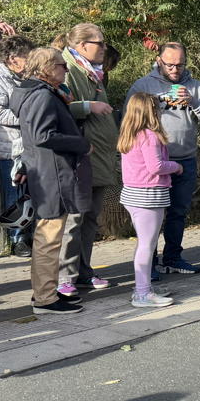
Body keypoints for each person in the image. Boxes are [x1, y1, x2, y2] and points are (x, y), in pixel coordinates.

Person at [126, 42, 200, 275]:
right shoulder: (144, 85)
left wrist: (194, 102)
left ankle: (173, 258)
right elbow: (129, 119)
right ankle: (150, 263)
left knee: (179, 212)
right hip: (153, 164)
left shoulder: (195, 87)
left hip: (184, 159)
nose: (175, 69)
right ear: (159, 61)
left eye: (180, 65)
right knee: (153, 215)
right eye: (170, 65)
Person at [10, 47, 89, 315]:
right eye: (61, 65)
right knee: (49, 237)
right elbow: (44, 135)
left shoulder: (34, 92)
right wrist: (81, 143)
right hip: (51, 175)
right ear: (45, 68)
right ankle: (44, 299)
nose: (65, 70)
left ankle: (46, 291)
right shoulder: (41, 96)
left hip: (47, 171)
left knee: (49, 236)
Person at [58, 22, 119, 298]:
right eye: (100, 43)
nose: (104, 48)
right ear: (83, 46)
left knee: (91, 217)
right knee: (74, 218)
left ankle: (83, 271)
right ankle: (65, 277)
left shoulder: (93, 71)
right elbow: (57, 108)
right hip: (81, 158)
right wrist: (88, 106)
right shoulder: (67, 69)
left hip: (100, 157)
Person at [117, 93, 180, 309]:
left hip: (133, 194)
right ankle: (142, 293)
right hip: (149, 195)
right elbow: (156, 167)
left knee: (144, 243)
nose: (161, 109)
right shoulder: (150, 135)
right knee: (147, 245)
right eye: (157, 106)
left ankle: (142, 287)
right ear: (150, 111)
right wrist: (176, 166)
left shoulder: (130, 133)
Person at [0, 35, 35, 256]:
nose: (30, 63)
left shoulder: (21, 76)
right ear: (13, 59)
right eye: (26, 58)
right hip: (8, 148)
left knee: (28, 194)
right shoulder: (0, 78)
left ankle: (26, 235)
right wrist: (27, 115)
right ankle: (17, 240)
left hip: (25, 145)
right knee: (15, 196)